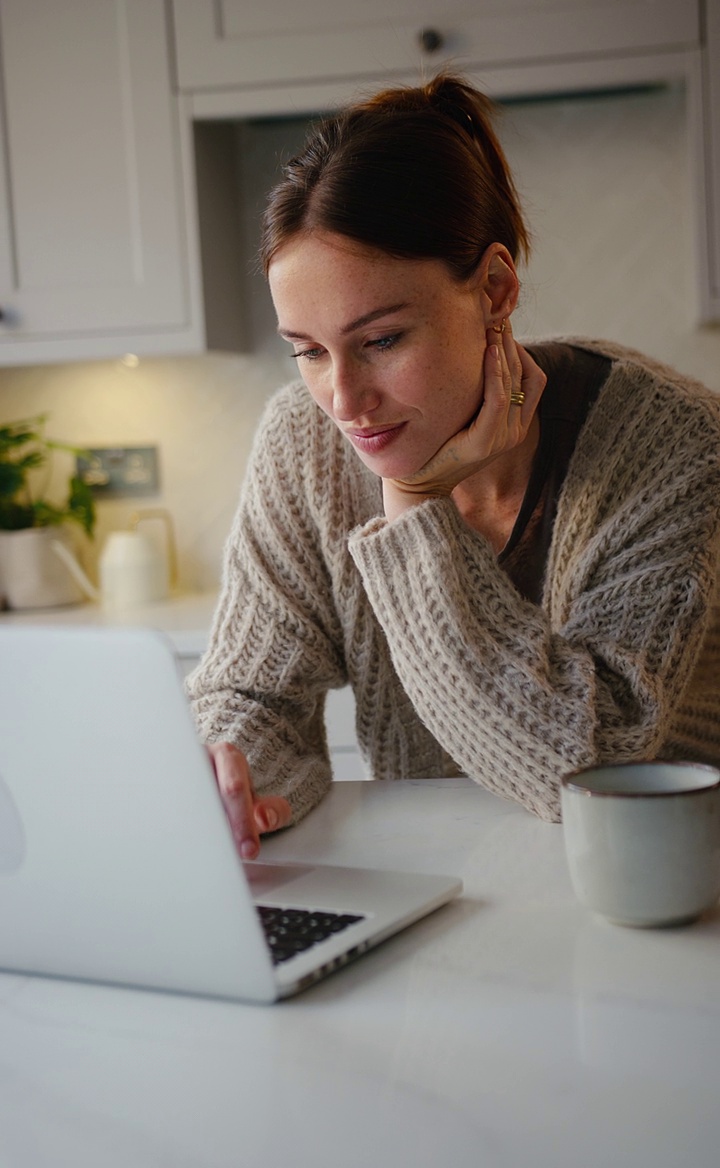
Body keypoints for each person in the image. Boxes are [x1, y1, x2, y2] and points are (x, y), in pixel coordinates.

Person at [186, 72, 720, 861]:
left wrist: (414, 500)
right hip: (438, 887)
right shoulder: (303, 444)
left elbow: (592, 772)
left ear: (496, 289)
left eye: (382, 340)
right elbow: (251, 694)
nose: (343, 399)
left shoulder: (678, 448)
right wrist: (235, 772)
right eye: (307, 350)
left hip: (658, 891)